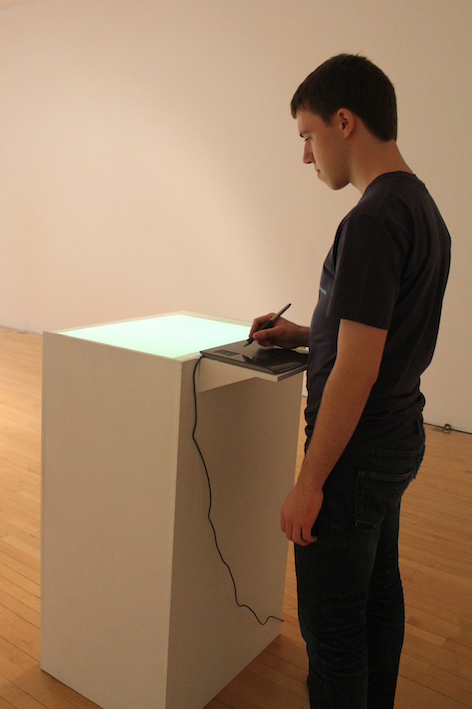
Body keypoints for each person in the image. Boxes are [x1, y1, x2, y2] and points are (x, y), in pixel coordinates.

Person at [249, 54, 450, 709]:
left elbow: (358, 370)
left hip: (354, 456)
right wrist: (305, 334)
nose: (307, 155)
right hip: (397, 438)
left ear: (344, 121)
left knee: (333, 633)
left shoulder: (369, 221)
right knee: (377, 597)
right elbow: (377, 335)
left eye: (308, 135)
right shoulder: (421, 207)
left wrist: (309, 484)